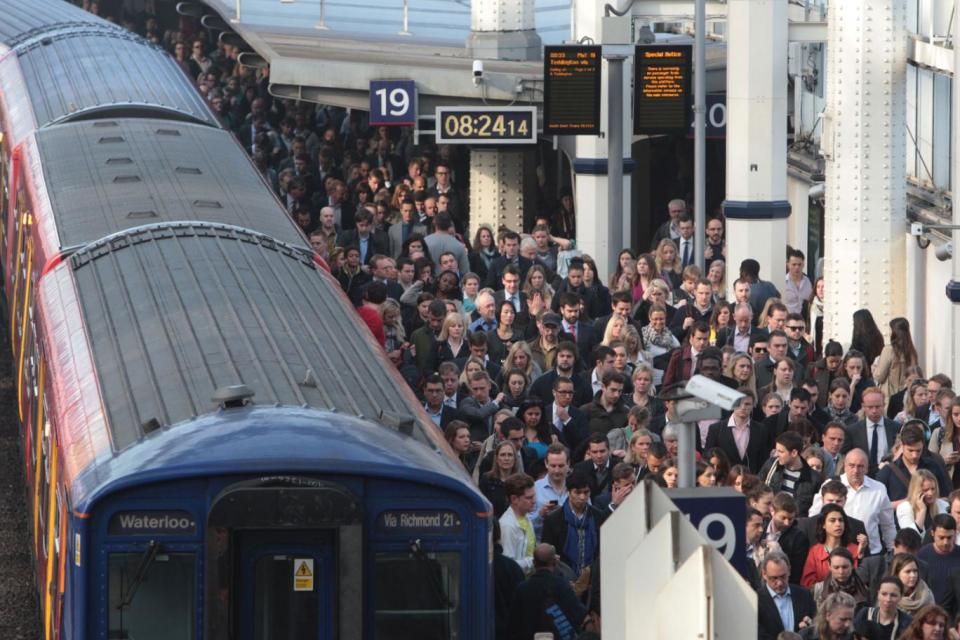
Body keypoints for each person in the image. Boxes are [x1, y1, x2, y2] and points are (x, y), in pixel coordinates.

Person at [809, 450, 897, 556]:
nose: (856, 470)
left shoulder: (878, 489)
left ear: (867, 468)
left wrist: (892, 551)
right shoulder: (830, 485)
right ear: (845, 466)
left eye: (860, 466)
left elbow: (887, 525)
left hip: (870, 553)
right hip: (836, 555)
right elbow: (814, 517)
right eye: (852, 465)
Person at [506, 543, 589, 640]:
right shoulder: (562, 586)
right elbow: (579, 614)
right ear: (554, 562)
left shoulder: (522, 589)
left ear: (534, 562)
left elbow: (513, 626)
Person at [541, 472, 604, 578]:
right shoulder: (553, 519)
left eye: (586, 492)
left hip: (593, 578)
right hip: (562, 578)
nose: (582, 497)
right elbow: (548, 552)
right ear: (568, 492)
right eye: (577, 492)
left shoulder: (598, 516)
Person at [801, 504, 867, 588]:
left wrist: (860, 555)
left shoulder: (854, 549)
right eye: (832, 520)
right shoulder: (815, 552)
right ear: (823, 525)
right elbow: (807, 584)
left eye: (841, 520)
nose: (838, 524)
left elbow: (862, 581)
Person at [760, 431, 823, 517]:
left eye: (781, 452)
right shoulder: (772, 465)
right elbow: (758, 489)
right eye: (776, 450)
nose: (777, 455)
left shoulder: (814, 479)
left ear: (794, 453)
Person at [758, 551, 818, 640]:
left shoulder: (804, 595)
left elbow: (816, 629)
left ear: (789, 571)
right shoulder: (756, 600)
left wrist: (810, 626)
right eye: (774, 578)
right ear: (764, 574)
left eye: (783, 576)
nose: (779, 583)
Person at [705, 391, 769, 474]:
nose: (743, 407)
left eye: (747, 404)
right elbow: (708, 457)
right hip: (724, 480)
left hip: (751, 480)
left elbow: (763, 459)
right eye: (739, 403)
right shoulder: (716, 429)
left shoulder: (761, 429)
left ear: (753, 406)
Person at [916, 514, 960, 604]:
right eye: (941, 537)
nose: (945, 542)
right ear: (932, 533)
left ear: (955, 533)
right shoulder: (922, 555)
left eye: (949, 537)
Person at [499, 473, 537, 573]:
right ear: (514, 499)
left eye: (534, 496)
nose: (534, 501)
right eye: (529, 498)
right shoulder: (507, 526)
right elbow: (508, 565)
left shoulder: (526, 517)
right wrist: (537, 561)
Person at [874, 317, 919, 401]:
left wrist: (874, 368)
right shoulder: (912, 352)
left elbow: (879, 376)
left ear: (894, 331)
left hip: (889, 397)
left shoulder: (889, 350)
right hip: (907, 397)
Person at [896, 470, 950, 536]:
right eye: (925, 490)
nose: (930, 493)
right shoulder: (904, 508)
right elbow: (910, 536)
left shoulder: (944, 505)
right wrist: (922, 511)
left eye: (933, 489)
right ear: (916, 490)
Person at [480, 440, 522, 518]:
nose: (506, 458)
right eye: (502, 455)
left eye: (510, 455)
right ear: (496, 458)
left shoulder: (521, 482)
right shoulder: (487, 479)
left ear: (515, 458)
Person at [929, 399, 960, 490]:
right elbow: (929, 462)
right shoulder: (940, 433)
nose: (959, 418)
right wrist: (944, 460)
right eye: (956, 414)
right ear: (950, 415)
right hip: (948, 486)